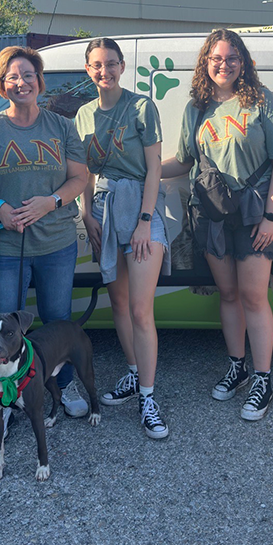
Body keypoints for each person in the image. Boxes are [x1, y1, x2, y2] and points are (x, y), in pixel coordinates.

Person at [161, 29, 273, 421]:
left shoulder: (261, 101)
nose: (224, 65)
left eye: (232, 58)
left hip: (256, 214)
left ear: (243, 62)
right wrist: (143, 167)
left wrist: (271, 216)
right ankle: (237, 368)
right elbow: (184, 160)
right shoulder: (196, 108)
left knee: (254, 296)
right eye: (217, 58)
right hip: (213, 216)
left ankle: (263, 379)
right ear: (206, 62)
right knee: (229, 294)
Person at [0, 45, 89, 441]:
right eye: (12, 77)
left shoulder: (61, 126)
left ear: (39, 80)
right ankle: (1, 400)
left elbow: (79, 178)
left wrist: (51, 201)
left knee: (57, 321)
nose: (21, 82)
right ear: (2, 85)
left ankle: (63, 386)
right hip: (5, 246)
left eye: (28, 75)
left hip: (56, 243)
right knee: (0, 329)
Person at [75, 38, 171, 439]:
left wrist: (145, 221)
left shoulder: (141, 107)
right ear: (88, 70)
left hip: (140, 208)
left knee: (140, 309)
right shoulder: (83, 114)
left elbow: (154, 168)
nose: (105, 71)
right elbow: (84, 172)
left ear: (122, 66)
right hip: (104, 210)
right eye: (97, 65)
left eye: (111, 63)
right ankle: (133, 373)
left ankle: (148, 397)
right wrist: (86, 214)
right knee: (118, 301)